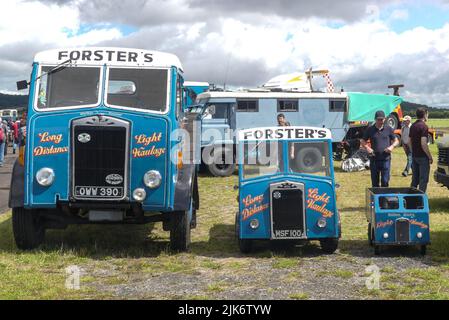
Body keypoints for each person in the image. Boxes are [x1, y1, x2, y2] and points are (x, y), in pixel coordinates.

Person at [361, 110, 399, 187]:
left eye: (382, 119)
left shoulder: (388, 129)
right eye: (378, 119)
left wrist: (391, 146)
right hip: (374, 159)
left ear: (384, 119)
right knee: (375, 183)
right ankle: (376, 198)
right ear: (375, 119)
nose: (380, 121)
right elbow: (362, 141)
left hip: (385, 159)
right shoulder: (370, 129)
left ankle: (384, 198)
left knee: (385, 181)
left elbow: (396, 140)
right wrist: (367, 148)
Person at [408, 108, 432, 193]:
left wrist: (412, 151)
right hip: (423, 157)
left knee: (415, 179)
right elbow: (423, 144)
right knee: (423, 180)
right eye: (427, 114)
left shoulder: (413, 126)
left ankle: (410, 197)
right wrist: (429, 156)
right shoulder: (424, 126)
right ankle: (420, 200)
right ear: (425, 115)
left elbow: (409, 141)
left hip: (415, 156)